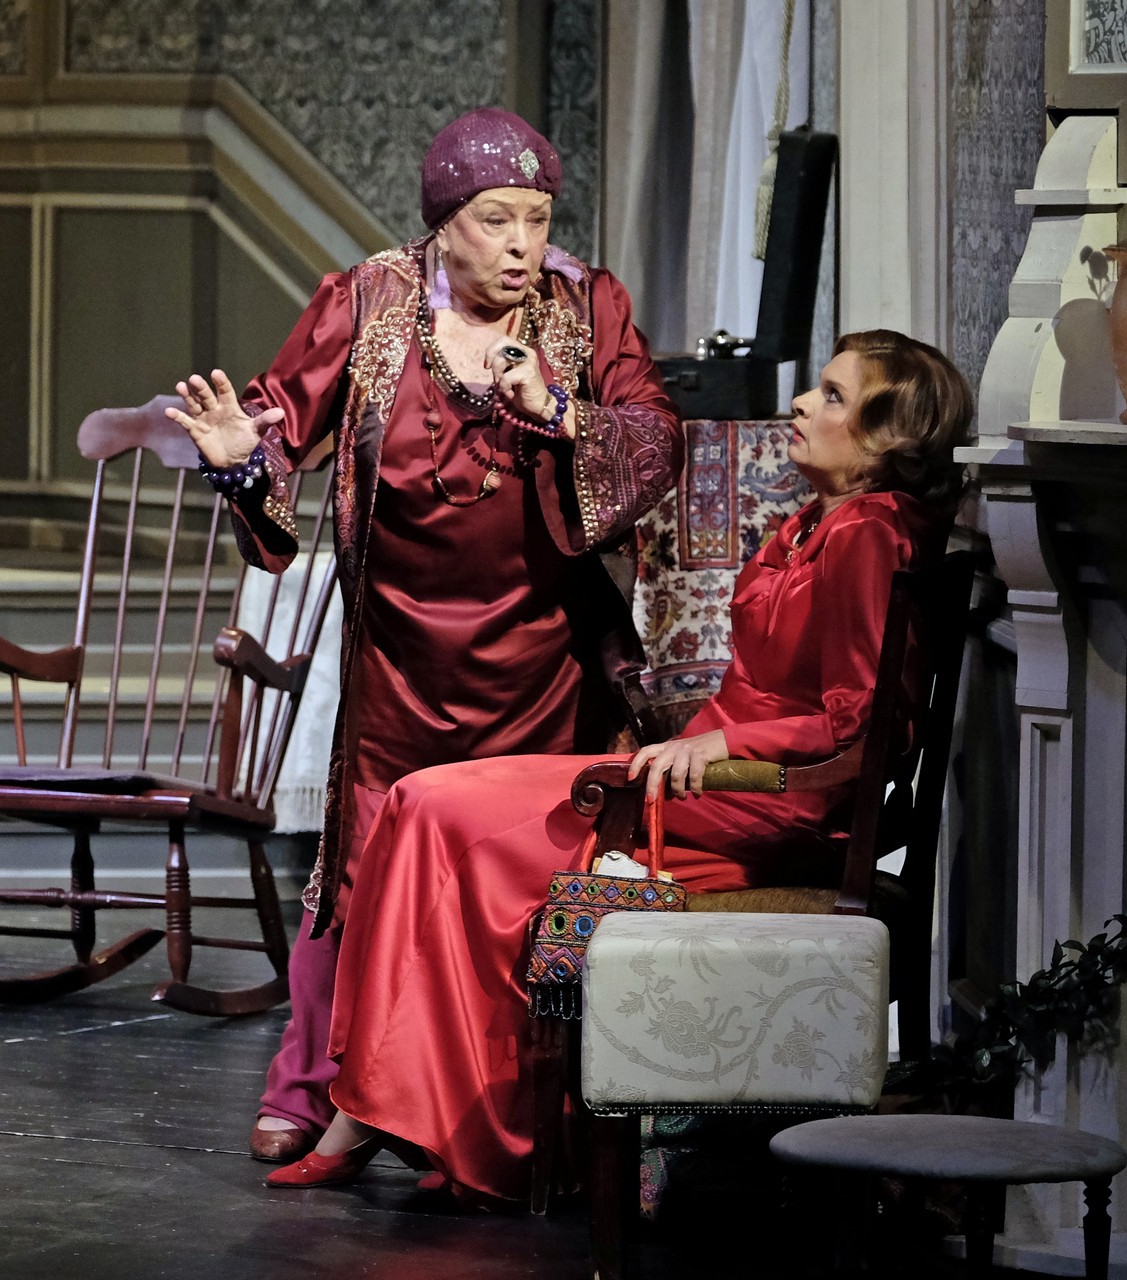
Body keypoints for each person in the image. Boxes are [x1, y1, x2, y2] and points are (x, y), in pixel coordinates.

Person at [263, 329, 972, 1203]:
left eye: (833, 396)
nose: (801, 403)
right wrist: (690, 742)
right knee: (418, 799)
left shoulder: (869, 533)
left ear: (887, 436)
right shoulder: (816, 523)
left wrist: (724, 747)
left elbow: (868, 724)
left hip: (757, 808)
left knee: (453, 824)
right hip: (698, 783)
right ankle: (387, 1104)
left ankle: (440, 1128)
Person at [167, 107, 682, 1163]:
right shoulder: (366, 301)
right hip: (401, 656)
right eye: (496, 220)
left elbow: (653, 435)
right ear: (444, 222)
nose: (522, 244)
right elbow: (277, 429)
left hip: (544, 658)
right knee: (365, 866)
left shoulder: (588, 307)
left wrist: (559, 412)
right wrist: (239, 460)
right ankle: (319, 1082)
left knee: (518, 878)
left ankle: (493, 1112)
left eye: (538, 219)